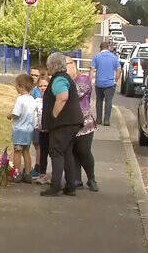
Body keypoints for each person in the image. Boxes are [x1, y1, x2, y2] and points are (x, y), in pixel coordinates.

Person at [41, 53, 84, 197]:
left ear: (53, 65)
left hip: (63, 123)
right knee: (67, 153)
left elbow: (62, 97)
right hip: (72, 122)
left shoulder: (59, 78)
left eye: (48, 66)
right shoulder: (66, 78)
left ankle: (55, 186)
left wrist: (53, 116)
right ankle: (70, 186)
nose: (47, 69)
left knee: (56, 152)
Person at [66, 57, 99, 192]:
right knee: (73, 152)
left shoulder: (83, 79)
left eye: (65, 65)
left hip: (85, 124)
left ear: (73, 65)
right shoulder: (65, 81)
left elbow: (75, 94)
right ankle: (76, 179)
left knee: (83, 151)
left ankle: (91, 178)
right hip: (69, 123)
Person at [7, 74, 36, 183]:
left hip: (19, 129)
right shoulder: (32, 99)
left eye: (16, 86)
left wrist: (10, 115)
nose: (16, 88)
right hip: (29, 129)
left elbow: (16, 113)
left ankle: (17, 173)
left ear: (21, 86)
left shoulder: (20, 100)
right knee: (26, 151)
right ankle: (28, 173)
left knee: (17, 151)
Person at [90, 42, 121, 126]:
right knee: (108, 102)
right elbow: (119, 69)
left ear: (100, 48)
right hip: (110, 84)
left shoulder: (96, 57)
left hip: (99, 83)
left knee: (99, 101)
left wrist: (89, 81)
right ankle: (106, 120)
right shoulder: (114, 57)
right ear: (108, 48)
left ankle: (99, 120)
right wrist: (116, 80)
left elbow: (92, 70)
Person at [34, 76, 50, 184]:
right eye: (40, 86)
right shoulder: (37, 101)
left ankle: (55, 176)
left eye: (45, 85)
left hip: (52, 131)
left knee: (54, 154)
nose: (43, 88)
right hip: (42, 130)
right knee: (43, 152)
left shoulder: (53, 100)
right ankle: (42, 174)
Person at [29, 66, 43, 177]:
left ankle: (38, 166)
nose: (33, 77)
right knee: (35, 144)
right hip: (31, 121)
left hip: (37, 122)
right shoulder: (31, 88)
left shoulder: (37, 91)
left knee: (38, 145)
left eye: (36, 75)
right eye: (32, 74)